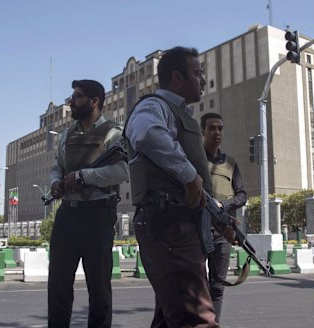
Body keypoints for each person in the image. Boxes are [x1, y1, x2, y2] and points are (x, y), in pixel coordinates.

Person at [124, 46, 218, 327]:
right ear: (177, 77)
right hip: (169, 225)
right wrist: (189, 175)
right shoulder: (153, 107)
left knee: (169, 317)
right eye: (198, 73)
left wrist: (219, 219)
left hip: (180, 225)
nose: (203, 79)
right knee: (196, 319)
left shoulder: (180, 113)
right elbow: (146, 134)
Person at [48, 79, 129, 327]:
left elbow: (123, 170)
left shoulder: (114, 133)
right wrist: (56, 183)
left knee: (99, 290)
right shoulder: (66, 136)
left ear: (94, 102)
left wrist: (84, 176)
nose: (71, 101)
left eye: (78, 96)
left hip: (98, 216)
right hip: (67, 216)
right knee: (58, 287)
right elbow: (57, 167)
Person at [201, 112, 247, 323]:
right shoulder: (195, 159)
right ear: (203, 131)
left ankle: (213, 323)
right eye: (212, 128)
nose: (217, 132)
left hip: (223, 232)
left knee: (218, 285)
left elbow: (242, 195)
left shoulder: (230, 162)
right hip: (198, 230)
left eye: (220, 128)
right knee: (196, 283)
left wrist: (223, 205)